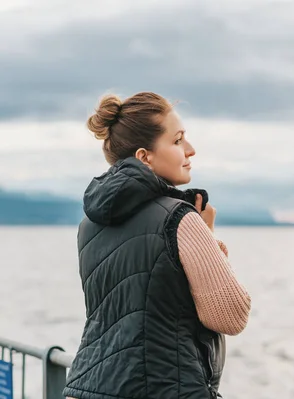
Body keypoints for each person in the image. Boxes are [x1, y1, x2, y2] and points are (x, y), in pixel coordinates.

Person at [63, 92, 251, 399]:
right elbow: (230, 316)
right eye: (177, 141)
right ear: (144, 156)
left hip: (88, 387)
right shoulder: (180, 218)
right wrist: (209, 239)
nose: (190, 150)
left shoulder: (90, 225)